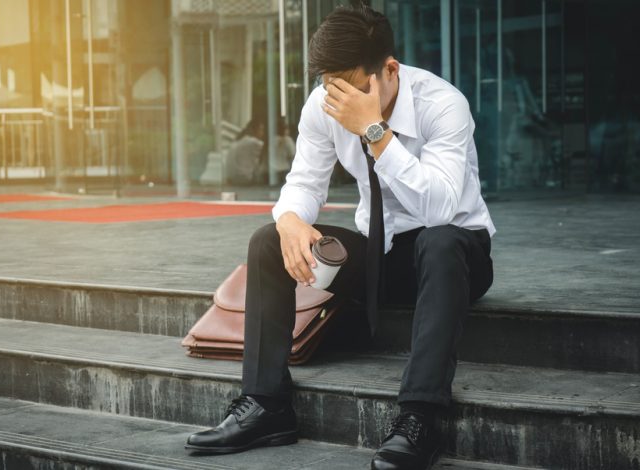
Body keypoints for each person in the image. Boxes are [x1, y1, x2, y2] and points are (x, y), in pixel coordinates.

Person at [186, 5, 495, 470]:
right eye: (331, 86)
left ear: (389, 71)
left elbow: (441, 209)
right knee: (268, 240)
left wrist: (375, 132)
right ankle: (266, 405)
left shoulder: (443, 104)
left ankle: (419, 420)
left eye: (352, 87)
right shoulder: (324, 103)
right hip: (381, 255)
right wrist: (290, 218)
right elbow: (306, 182)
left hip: (457, 258)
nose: (339, 99)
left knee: (441, 241)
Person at [225, 118, 265, 185]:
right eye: (261, 130)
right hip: (245, 180)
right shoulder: (255, 143)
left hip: (232, 179)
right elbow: (257, 167)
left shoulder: (237, 142)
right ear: (253, 130)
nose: (262, 133)